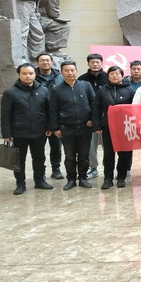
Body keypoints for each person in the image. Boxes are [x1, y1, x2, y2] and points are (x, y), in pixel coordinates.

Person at [0, 63, 53, 195]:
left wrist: (49, 126)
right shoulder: (10, 93)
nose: (28, 76)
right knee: (19, 159)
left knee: (39, 157)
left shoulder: (43, 90)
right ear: (19, 75)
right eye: (24, 73)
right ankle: (20, 183)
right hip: (19, 132)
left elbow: (49, 111)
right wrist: (6, 133)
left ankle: (40, 181)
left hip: (39, 131)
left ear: (35, 74)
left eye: (31, 73)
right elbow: (5, 115)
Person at [50, 61, 96, 190]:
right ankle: (71, 179)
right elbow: (53, 110)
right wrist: (56, 128)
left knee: (84, 155)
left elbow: (94, 104)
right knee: (69, 156)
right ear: (62, 72)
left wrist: (91, 119)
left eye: (72, 70)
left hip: (85, 127)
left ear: (76, 71)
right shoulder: (56, 90)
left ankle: (82, 178)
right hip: (67, 128)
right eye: (66, 70)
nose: (70, 73)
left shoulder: (85, 86)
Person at [91, 65, 135, 189]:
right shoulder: (103, 90)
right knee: (108, 154)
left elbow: (135, 108)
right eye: (111, 74)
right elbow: (96, 108)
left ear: (122, 75)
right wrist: (97, 125)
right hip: (108, 127)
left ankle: (121, 178)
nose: (114, 76)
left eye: (117, 73)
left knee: (124, 154)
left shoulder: (130, 90)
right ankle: (108, 179)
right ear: (108, 76)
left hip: (125, 127)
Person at [78, 53, 108, 180]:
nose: (95, 64)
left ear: (102, 63)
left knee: (107, 146)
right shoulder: (82, 79)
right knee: (90, 146)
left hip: (106, 119)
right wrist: (89, 118)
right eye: (92, 62)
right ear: (88, 64)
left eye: (97, 62)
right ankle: (93, 168)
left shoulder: (108, 77)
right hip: (89, 120)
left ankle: (108, 168)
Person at [34, 52, 64, 179]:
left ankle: (56, 169)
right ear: (37, 63)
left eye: (47, 60)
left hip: (56, 117)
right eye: (42, 60)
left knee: (56, 146)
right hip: (39, 117)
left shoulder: (60, 77)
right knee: (38, 148)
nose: (45, 62)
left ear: (51, 62)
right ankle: (40, 172)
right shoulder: (32, 76)